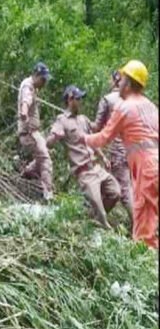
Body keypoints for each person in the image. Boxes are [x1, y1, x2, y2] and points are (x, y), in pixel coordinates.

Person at [83, 60, 158, 249]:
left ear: (129, 83)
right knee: (150, 214)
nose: (119, 83)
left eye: (122, 79)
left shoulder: (124, 107)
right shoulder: (151, 107)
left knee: (144, 221)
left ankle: (145, 265)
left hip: (146, 166)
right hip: (154, 162)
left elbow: (102, 138)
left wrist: (82, 138)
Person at [46, 85, 120, 229]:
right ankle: (102, 223)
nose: (81, 102)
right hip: (84, 172)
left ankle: (93, 219)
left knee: (115, 192)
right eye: (78, 99)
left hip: (96, 168)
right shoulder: (61, 120)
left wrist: (103, 156)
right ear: (70, 99)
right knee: (102, 213)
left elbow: (92, 141)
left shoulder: (84, 119)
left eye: (81, 98)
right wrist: (55, 137)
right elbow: (49, 142)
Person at [90, 70, 134, 224]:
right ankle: (95, 214)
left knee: (124, 192)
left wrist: (83, 121)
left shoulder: (108, 100)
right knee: (113, 184)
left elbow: (96, 127)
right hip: (133, 151)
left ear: (114, 81)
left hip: (116, 152)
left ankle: (140, 229)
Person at [18, 62, 54, 202]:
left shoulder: (32, 86)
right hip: (29, 132)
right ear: (36, 75)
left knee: (43, 154)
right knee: (45, 159)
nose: (44, 83)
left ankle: (27, 173)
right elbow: (25, 102)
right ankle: (48, 195)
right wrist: (24, 113)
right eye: (43, 79)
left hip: (33, 132)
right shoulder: (28, 87)